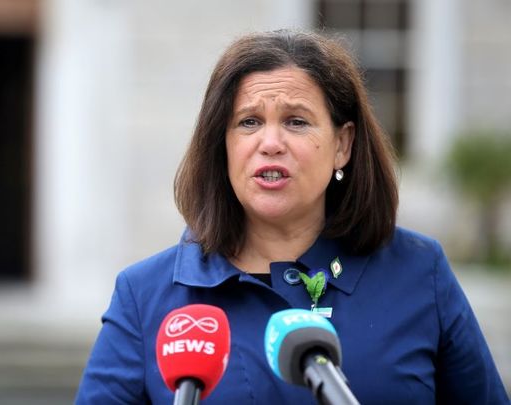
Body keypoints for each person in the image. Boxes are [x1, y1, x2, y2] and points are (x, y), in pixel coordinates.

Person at [76, 29, 509, 404]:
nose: (270, 142)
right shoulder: (146, 296)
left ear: (343, 144)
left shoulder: (418, 272)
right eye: (248, 122)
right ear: (221, 146)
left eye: (297, 122)